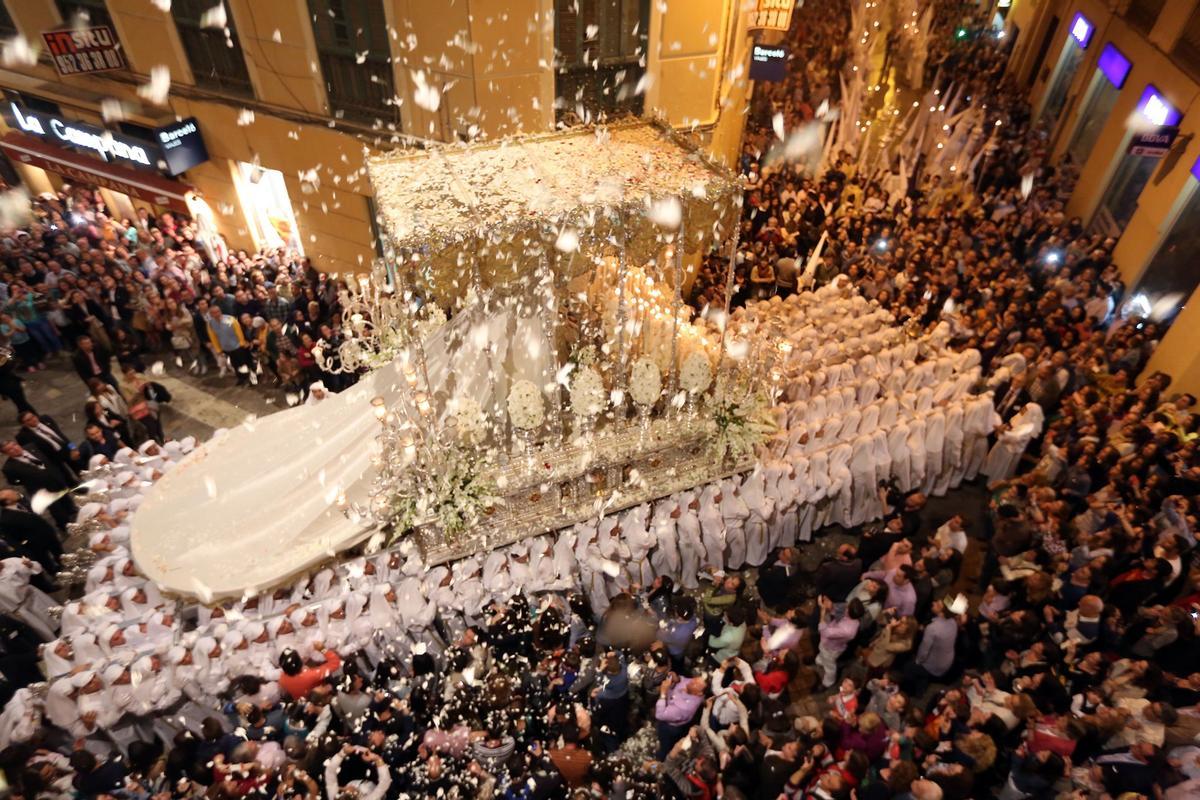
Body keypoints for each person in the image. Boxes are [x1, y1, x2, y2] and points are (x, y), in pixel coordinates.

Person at [0, 440, 76, 530]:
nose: (15, 449)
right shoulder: (9, 467)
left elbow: (47, 457)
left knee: (64, 496)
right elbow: (13, 481)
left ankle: (71, 510)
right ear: (6, 453)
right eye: (10, 450)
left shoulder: (31, 446)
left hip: (54, 477)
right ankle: (64, 524)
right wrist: (30, 480)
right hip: (40, 488)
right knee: (55, 507)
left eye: (14, 445)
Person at [204, 305, 256, 386]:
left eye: (218, 312)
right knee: (235, 364)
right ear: (211, 314)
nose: (216, 314)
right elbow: (213, 337)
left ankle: (251, 379)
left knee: (245, 363)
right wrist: (218, 350)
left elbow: (238, 332)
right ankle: (241, 378)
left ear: (220, 311)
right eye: (213, 313)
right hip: (226, 348)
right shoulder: (210, 323)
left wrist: (242, 343)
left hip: (238, 346)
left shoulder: (230, 319)